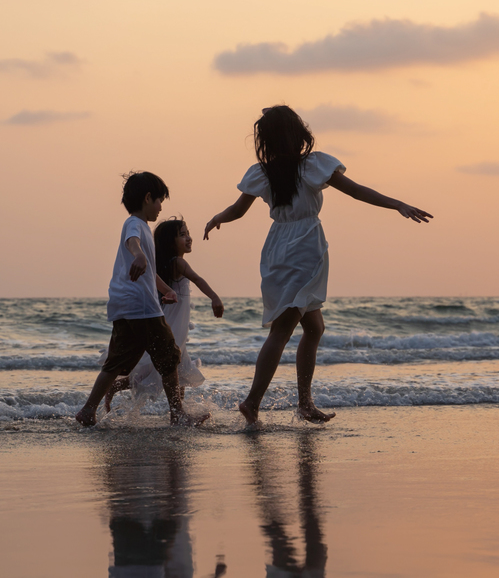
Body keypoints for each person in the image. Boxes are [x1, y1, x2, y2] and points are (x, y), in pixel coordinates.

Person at [204, 105, 432, 427]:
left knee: (314, 328)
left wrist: (217, 218)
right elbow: (355, 191)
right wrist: (396, 204)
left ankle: (304, 404)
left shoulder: (263, 172)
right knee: (283, 330)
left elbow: (238, 209)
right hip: (304, 250)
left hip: (276, 249)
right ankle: (252, 402)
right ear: (296, 134)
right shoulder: (311, 164)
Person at [75, 172, 211, 427]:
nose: (161, 207)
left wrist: (165, 290)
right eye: (159, 201)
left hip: (128, 305)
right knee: (171, 356)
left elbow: (149, 273)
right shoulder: (136, 225)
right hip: (142, 307)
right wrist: (138, 255)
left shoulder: (141, 227)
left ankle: (87, 410)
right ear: (148, 198)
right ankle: (178, 414)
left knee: (116, 362)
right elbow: (132, 243)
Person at [104, 217, 224, 413]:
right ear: (170, 242)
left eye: (188, 233)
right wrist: (214, 297)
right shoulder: (178, 263)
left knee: (179, 368)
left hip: (175, 322)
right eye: (182, 235)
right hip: (175, 325)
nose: (189, 238)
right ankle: (116, 388)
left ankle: (178, 413)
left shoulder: (168, 264)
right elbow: (197, 279)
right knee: (164, 366)